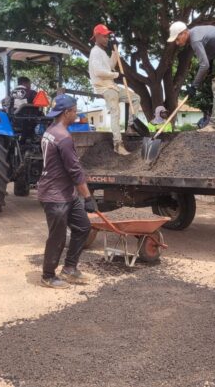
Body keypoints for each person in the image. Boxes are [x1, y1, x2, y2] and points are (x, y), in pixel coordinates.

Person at [37, 94, 96, 289]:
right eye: (75, 111)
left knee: (83, 227)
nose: (76, 115)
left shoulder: (51, 131)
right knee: (58, 237)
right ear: (66, 112)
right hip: (55, 196)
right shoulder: (63, 138)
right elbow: (75, 171)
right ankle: (48, 276)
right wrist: (88, 197)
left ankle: (69, 268)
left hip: (66, 193)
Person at [168, 21, 215, 132]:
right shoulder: (195, 34)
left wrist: (194, 86)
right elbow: (208, 57)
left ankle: (214, 124)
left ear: (184, 33)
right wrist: (209, 67)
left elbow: (204, 65)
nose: (177, 43)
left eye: (177, 39)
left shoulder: (195, 40)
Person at [88, 23, 142, 155]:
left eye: (108, 36)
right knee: (115, 111)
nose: (107, 38)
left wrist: (115, 51)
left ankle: (131, 127)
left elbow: (111, 66)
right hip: (103, 87)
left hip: (112, 85)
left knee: (135, 98)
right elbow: (99, 72)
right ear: (97, 36)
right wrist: (117, 75)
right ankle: (118, 144)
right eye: (105, 36)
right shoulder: (95, 52)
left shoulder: (102, 52)